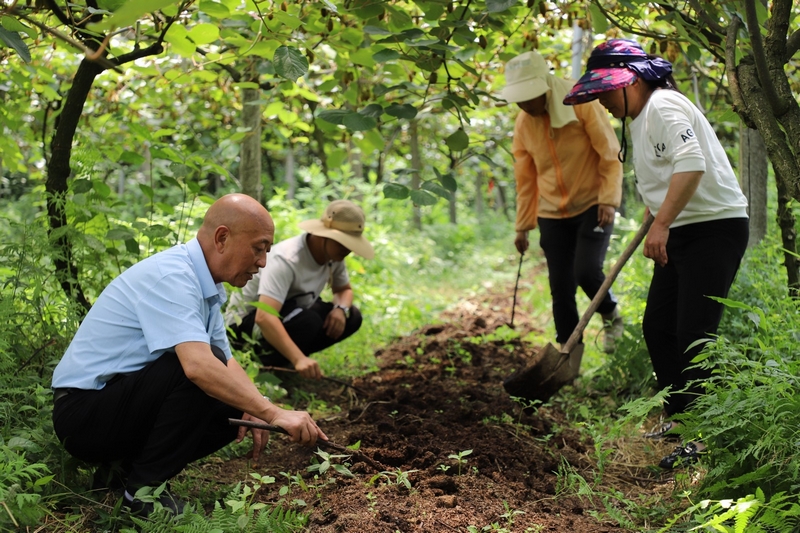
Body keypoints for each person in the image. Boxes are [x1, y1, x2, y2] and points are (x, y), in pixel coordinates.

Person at [51, 194, 327, 515]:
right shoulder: (174, 276)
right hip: (83, 414)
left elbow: (228, 362)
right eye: (258, 248)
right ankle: (142, 495)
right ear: (222, 238)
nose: (263, 262)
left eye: (267, 250)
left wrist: (260, 406)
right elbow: (197, 366)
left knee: (236, 399)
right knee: (199, 370)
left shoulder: (204, 285)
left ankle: (121, 474)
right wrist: (274, 413)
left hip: (115, 406)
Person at [564, 39, 749, 468]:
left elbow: (692, 163)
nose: (602, 101)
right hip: (683, 227)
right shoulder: (640, 117)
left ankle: (703, 438)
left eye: (606, 90)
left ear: (632, 81)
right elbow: (667, 174)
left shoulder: (663, 106)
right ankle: (680, 418)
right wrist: (658, 213)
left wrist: (661, 224)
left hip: (713, 229)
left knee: (694, 333)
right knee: (658, 326)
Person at [501, 50, 625, 354]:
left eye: (528, 97)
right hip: (551, 213)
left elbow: (609, 152)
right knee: (561, 287)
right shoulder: (523, 124)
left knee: (586, 271)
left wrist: (608, 199)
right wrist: (522, 226)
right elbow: (525, 178)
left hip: (593, 203)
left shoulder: (581, 102)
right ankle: (568, 359)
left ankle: (610, 314)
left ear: (544, 86)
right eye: (519, 99)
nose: (524, 105)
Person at [226, 199, 373, 380]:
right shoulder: (287, 259)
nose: (347, 250)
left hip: (291, 311)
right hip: (244, 327)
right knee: (309, 321)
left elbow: (344, 290)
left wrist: (340, 309)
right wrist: (299, 359)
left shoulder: (334, 256)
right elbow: (264, 317)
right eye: (342, 243)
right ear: (323, 236)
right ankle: (270, 364)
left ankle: (288, 359)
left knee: (352, 316)